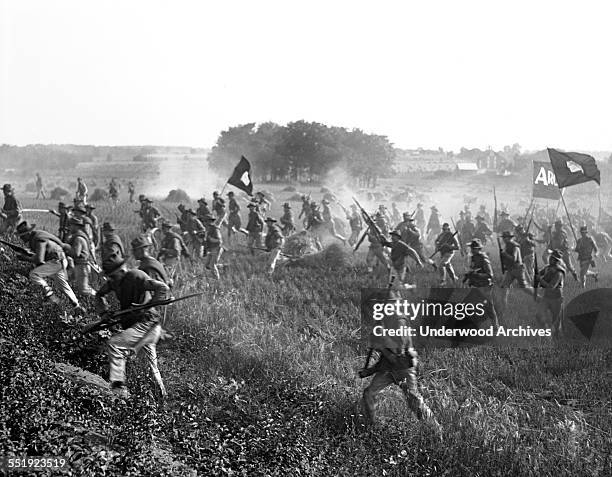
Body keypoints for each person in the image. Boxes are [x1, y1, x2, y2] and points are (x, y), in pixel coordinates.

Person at [94, 255, 170, 399]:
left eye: (112, 276)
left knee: (115, 345)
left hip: (147, 324)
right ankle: (162, 399)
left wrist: (146, 306)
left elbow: (162, 287)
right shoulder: (114, 282)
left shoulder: (136, 276)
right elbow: (99, 295)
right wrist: (104, 313)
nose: (110, 280)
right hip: (136, 327)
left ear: (121, 271)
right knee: (150, 367)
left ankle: (119, 390)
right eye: (109, 277)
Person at [360, 293, 438, 427]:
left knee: (414, 401)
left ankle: (436, 430)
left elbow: (398, 350)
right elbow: (387, 356)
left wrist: (382, 339)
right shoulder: (384, 320)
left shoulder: (399, 320)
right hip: (388, 368)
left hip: (403, 367)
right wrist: (370, 370)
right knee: (369, 393)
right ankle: (373, 426)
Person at [15, 221, 83, 312]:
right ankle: (76, 305)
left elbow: (39, 260)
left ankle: (51, 297)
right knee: (62, 284)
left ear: (29, 233)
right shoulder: (38, 236)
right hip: (60, 260)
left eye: (23, 235)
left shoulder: (39, 239)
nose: (21, 238)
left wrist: (25, 258)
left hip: (56, 261)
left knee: (34, 275)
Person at [464, 239, 500, 329]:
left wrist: (477, 274)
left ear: (478, 249)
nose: (471, 249)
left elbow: (490, 274)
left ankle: (495, 326)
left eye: (473, 248)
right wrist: (469, 277)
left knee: (488, 307)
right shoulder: (473, 258)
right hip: (476, 285)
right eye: (471, 248)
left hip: (485, 286)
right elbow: (472, 270)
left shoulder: (484, 258)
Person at [535, 249, 565, 338]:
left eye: (552, 258)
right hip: (546, 297)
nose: (549, 258)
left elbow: (551, 287)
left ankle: (558, 339)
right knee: (539, 315)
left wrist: (540, 280)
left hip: (556, 298)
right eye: (550, 257)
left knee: (556, 322)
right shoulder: (547, 267)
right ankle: (546, 334)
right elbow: (539, 273)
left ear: (556, 260)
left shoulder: (559, 273)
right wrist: (536, 273)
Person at [63, 217, 95, 297]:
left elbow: (76, 253)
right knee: (79, 288)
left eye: (71, 226)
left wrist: (66, 247)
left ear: (76, 226)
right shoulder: (79, 236)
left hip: (82, 266)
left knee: (84, 290)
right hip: (81, 265)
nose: (69, 228)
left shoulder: (78, 238)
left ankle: (99, 298)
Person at [203, 214, 222, 279]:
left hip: (216, 248)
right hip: (210, 249)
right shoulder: (207, 229)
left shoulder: (215, 229)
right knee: (207, 265)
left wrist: (210, 239)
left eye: (205, 221)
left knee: (212, 265)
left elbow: (218, 240)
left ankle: (217, 278)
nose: (204, 222)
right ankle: (222, 267)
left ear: (209, 221)